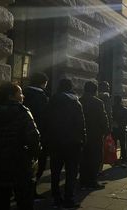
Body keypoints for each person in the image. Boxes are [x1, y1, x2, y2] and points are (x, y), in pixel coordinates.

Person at [0, 82, 40, 210]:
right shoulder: (23, 112)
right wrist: (34, 155)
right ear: (11, 96)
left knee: (0, 196)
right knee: (24, 197)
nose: (22, 96)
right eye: (20, 93)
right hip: (20, 160)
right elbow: (34, 137)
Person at [45, 79, 86, 208]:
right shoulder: (75, 102)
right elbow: (81, 123)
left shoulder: (52, 100)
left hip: (55, 141)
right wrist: (83, 139)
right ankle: (69, 198)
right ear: (70, 87)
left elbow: (47, 120)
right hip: (72, 142)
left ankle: (56, 197)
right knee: (71, 172)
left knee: (55, 171)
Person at [22, 72, 49, 199]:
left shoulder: (22, 92)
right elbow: (44, 118)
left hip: (21, 135)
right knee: (38, 164)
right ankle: (30, 191)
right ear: (43, 82)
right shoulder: (41, 96)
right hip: (37, 134)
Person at [79, 81, 108, 190]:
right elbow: (103, 119)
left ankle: (83, 180)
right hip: (95, 135)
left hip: (82, 134)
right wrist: (105, 131)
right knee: (95, 158)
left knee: (83, 159)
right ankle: (92, 181)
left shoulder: (79, 101)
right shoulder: (98, 103)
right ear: (95, 91)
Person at [112, 95, 127, 161]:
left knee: (114, 144)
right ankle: (123, 157)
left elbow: (111, 118)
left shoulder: (112, 108)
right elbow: (126, 120)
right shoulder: (124, 109)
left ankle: (114, 157)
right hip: (122, 129)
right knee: (122, 144)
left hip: (114, 129)